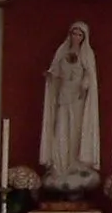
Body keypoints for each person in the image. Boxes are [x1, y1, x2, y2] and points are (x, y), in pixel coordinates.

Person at [40, 20, 101, 186]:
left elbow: (90, 74)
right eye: (74, 33)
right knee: (61, 129)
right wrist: (50, 76)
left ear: (84, 37)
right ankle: (60, 165)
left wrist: (85, 85)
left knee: (75, 130)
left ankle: (76, 163)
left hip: (78, 99)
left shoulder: (87, 54)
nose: (76, 37)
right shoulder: (62, 51)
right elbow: (56, 71)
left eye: (80, 34)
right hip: (64, 96)